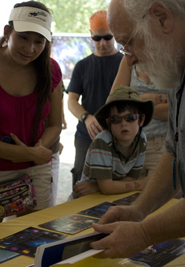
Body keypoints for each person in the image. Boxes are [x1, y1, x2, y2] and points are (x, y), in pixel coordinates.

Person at [90, 0, 185, 258]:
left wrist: (144, 234)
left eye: (129, 43)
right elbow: (175, 152)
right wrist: (138, 210)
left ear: (162, 17)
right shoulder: (181, 58)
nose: (131, 58)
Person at [0, 1, 62, 229]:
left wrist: (39, 149)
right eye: (24, 37)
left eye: (39, 42)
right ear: (7, 32)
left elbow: (54, 124)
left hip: (37, 168)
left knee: (34, 238)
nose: (30, 49)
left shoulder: (50, 69)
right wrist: (25, 152)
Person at [67, 10, 123, 189]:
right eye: (97, 39)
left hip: (119, 135)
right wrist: (87, 118)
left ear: (114, 34)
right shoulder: (82, 66)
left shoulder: (125, 63)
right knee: (81, 183)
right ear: (91, 36)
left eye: (107, 37)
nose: (103, 43)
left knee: (115, 182)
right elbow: (72, 101)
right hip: (86, 136)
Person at [69, 86, 153, 200]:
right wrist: (139, 185)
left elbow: (130, 178)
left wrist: (99, 187)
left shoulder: (141, 140)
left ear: (141, 119)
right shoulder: (102, 142)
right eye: (116, 119)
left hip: (110, 196)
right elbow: (108, 188)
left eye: (130, 117)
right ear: (109, 123)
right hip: (84, 198)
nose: (124, 123)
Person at [111, 57, 169, 177]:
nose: (127, 48)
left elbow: (173, 110)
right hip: (131, 144)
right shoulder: (129, 59)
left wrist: (133, 104)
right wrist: (154, 97)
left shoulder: (169, 58)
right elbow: (114, 103)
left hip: (163, 142)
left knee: (157, 192)